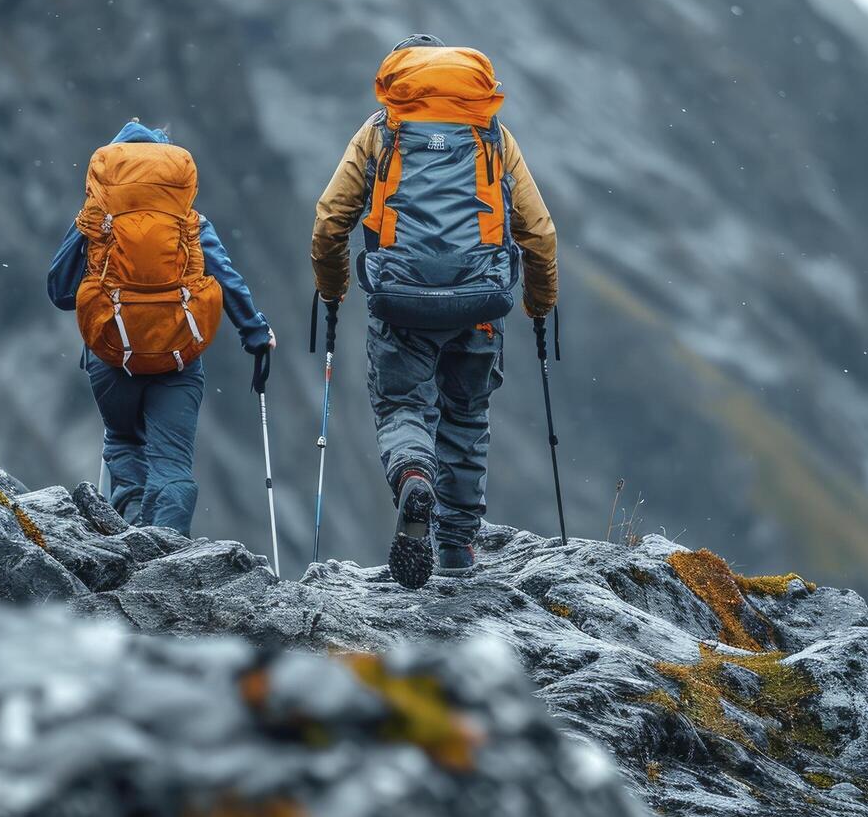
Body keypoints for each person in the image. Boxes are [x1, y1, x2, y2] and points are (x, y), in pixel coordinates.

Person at [311, 35, 557, 588]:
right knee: (466, 420)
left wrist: (332, 289)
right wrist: (539, 302)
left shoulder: (380, 133)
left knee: (403, 406)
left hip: (400, 303)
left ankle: (414, 475)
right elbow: (538, 231)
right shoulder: (491, 135)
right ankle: (456, 549)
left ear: (401, 82)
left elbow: (331, 220)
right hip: (480, 304)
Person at [49, 120, 274, 536]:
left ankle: (132, 533)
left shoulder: (96, 218)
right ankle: (167, 550)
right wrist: (255, 333)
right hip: (178, 357)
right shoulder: (188, 220)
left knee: (122, 440)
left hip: (113, 357)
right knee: (172, 463)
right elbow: (226, 278)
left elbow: (60, 291)